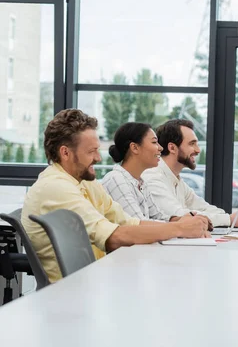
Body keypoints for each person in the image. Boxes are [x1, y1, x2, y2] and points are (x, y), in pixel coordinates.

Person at [22, 109, 211, 283]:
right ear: (65, 153)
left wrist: (180, 226)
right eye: (91, 151)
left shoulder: (85, 182)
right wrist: (179, 229)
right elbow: (114, 237)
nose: (98, 158)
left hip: (94, 279)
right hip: (73, 292)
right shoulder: (56, 187)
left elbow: (128, 222)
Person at [142, 119, 238, 228]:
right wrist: (228, 219)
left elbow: (202, 207)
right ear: (172, 148)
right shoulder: (153, 177)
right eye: (192, 144)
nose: (198, 150)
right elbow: (178, 215)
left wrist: (229, 217)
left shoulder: (177, 180)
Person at [102, 122, 190, 222]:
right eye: (154, 142)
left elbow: (158, 216)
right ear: (134, 148)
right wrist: (181, 226)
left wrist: (186, 220)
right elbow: (139, 225)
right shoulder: (116, 179)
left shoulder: (141, 182)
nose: (160, 148)